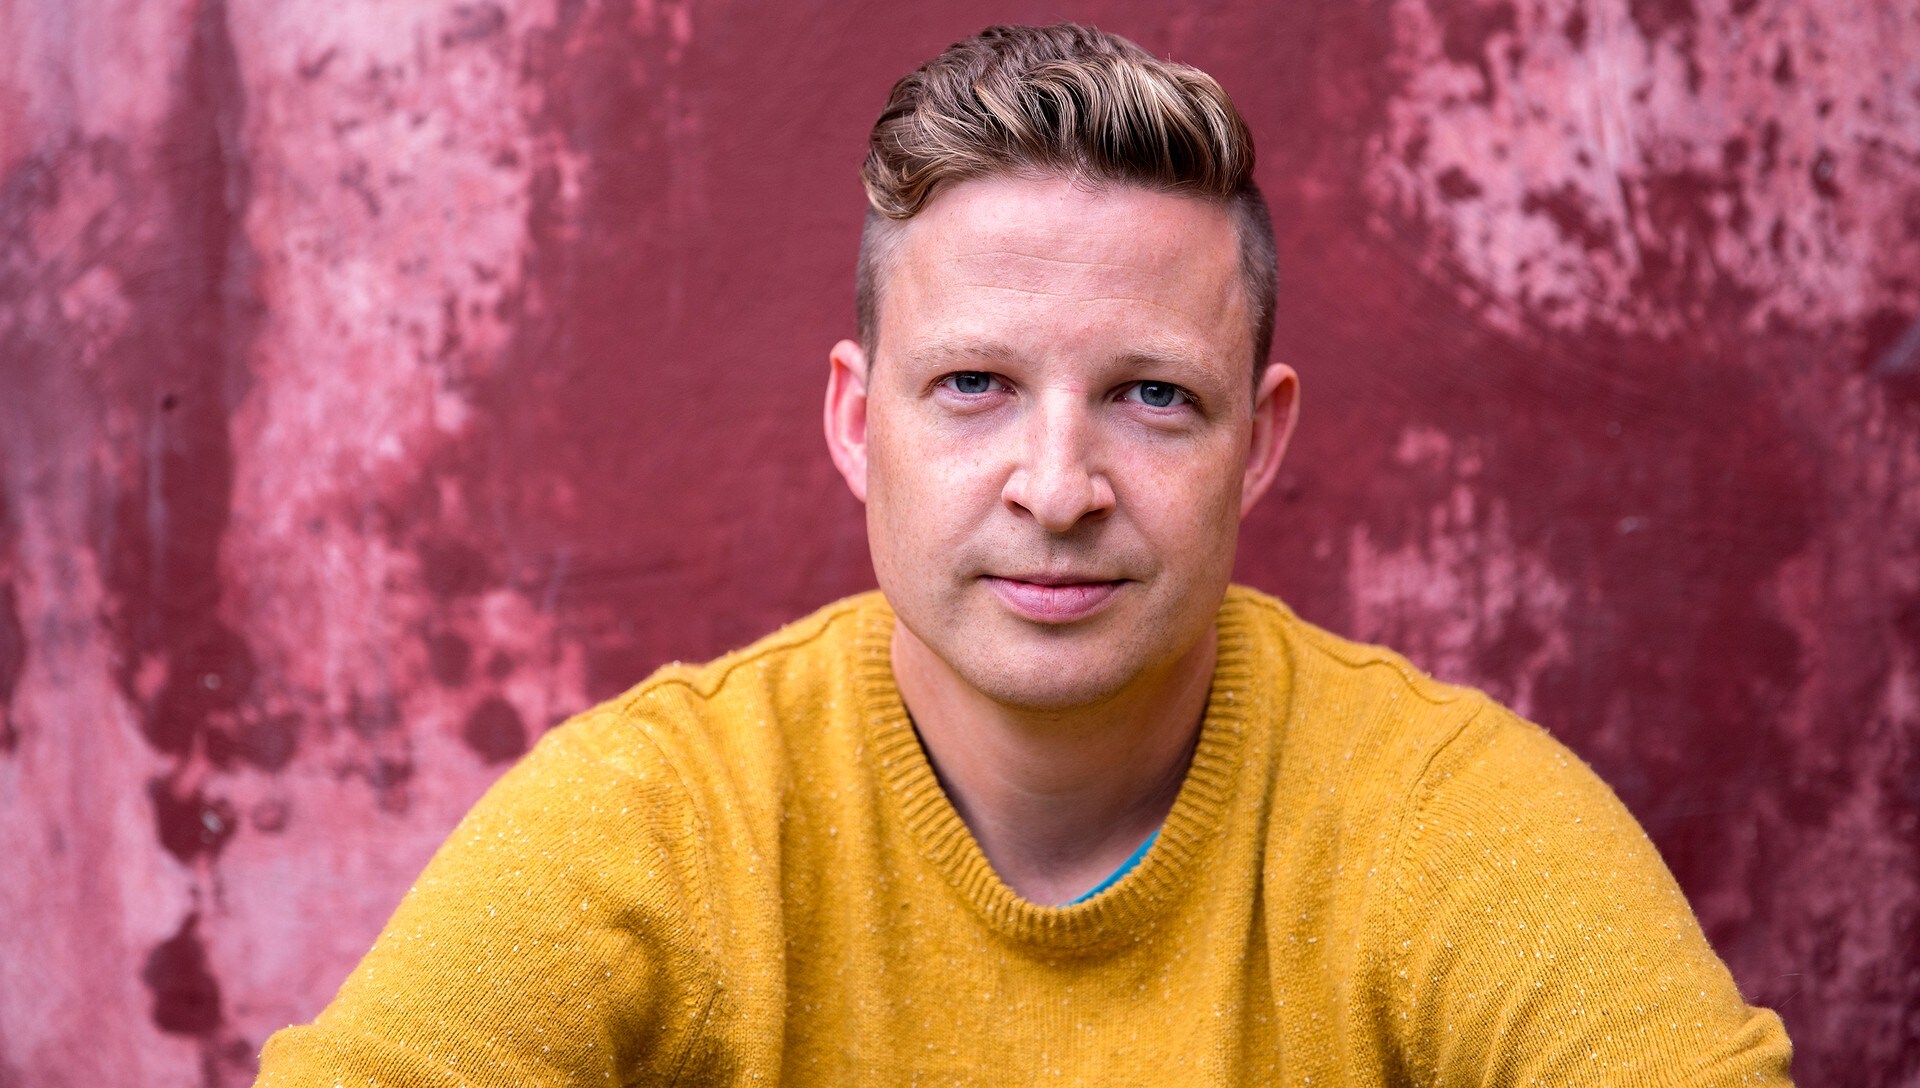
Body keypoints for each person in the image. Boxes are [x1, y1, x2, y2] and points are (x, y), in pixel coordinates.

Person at [256, 24, 1793, 1086]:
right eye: (976, 384)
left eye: (1153, 397)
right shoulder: (661, 817)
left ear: (1259, 442)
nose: (1058, 490)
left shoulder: (1443, 820)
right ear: (858, 421)